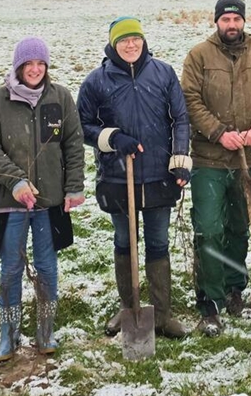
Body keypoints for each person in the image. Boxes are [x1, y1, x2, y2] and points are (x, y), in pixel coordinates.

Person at [78, 17, 192, 338]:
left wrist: (180, 160)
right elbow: (82, 126)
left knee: (158, 243)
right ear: (114, 44)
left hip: (158, 175)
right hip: (117, 177)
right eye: (124, 40)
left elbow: (180, 118)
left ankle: (161, 315)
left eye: (136, 39)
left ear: (143, 41)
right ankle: (129, 309)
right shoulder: (96, 81)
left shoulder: (163, 73)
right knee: (125, 242)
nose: (131, 45)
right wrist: (113, 138)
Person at [0, 37, 86, 362]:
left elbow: (73, 145)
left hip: (50, 202)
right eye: (29, 64)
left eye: (41, 63)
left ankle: (45, 330)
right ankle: (8, 335)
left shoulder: (61, 98)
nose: (35, 69)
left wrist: (74, 187)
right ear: (18, 67)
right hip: (11, 202)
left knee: (47, 268)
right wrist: (16, 181)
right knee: (10, 269)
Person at [181, 0, 251, 336]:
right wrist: (217, 132)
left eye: (235, 19)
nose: (231, 25)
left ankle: (234, 287)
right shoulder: (199, 55)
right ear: (216, 22)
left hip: (250, 158)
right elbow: (190, 99)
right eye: (225, 19)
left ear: (243, 22)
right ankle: (208, 300)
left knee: (241, 225)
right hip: (209, 158)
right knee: (210, 228)